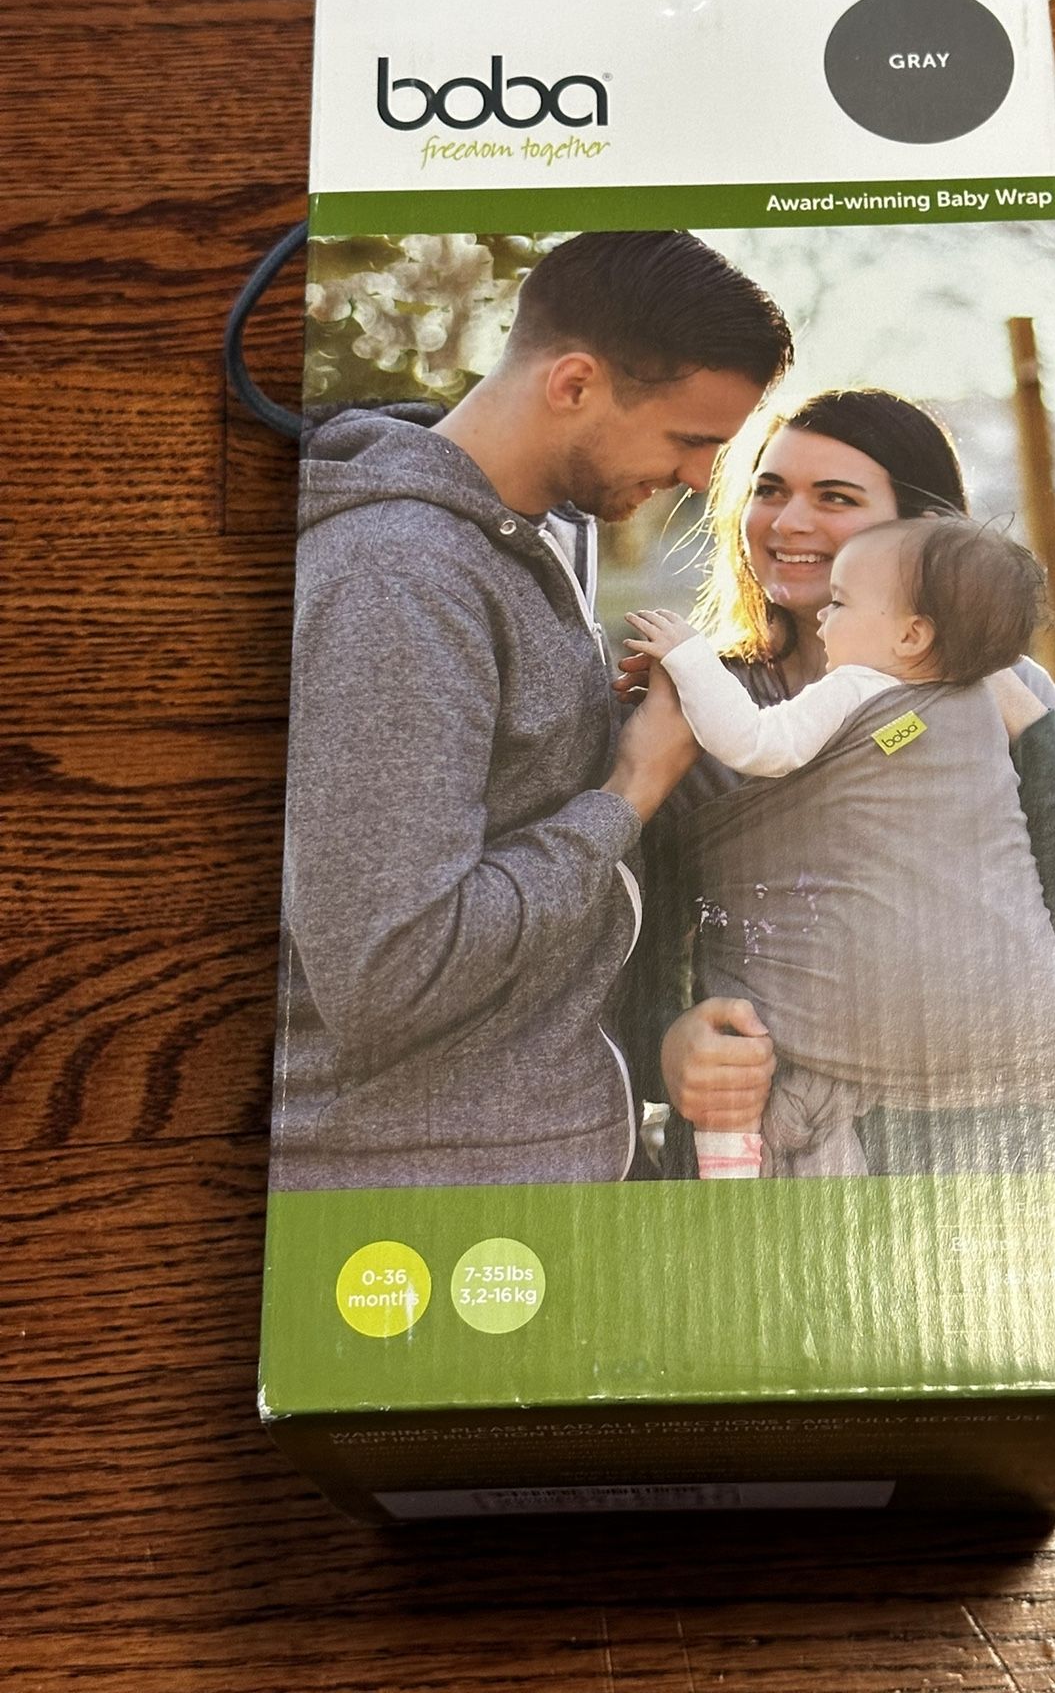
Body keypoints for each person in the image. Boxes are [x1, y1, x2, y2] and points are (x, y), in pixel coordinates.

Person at [270, 230, 793, 1190]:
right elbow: (394, 975)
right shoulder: (400, 577)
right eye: (690, 440)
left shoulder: (526, 540)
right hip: (429, 1190)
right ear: (575, 384)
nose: (697, 480)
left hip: (541, 1152)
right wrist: (629, 787)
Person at [618, 388, 1055, 1177]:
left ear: (922, 530)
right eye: (770, 490)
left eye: (835, 498)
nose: (788, 522)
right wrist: (668, 1045)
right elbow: (621, 956)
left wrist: (1014, 710)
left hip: (1006, 1136)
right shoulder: (694, 705)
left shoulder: (1005, 691)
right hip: (781, 1142)